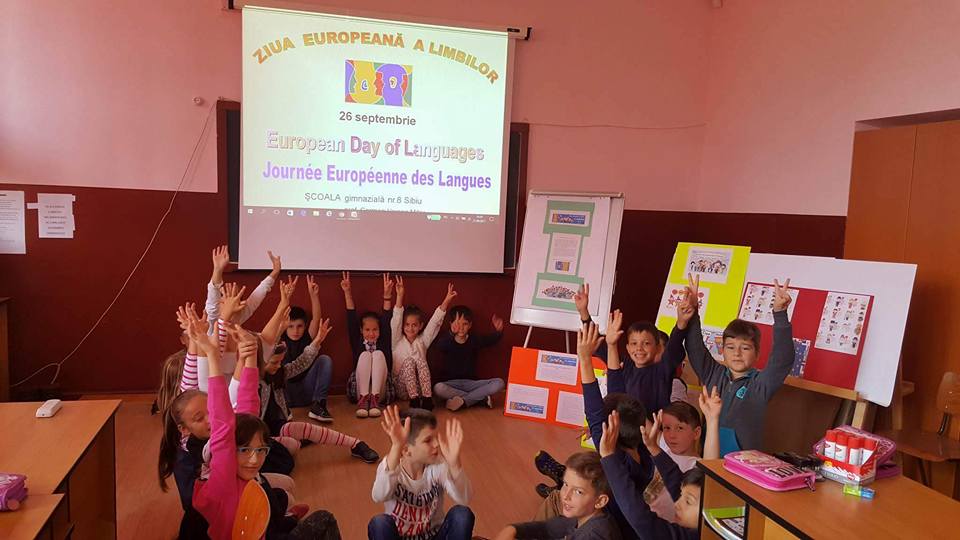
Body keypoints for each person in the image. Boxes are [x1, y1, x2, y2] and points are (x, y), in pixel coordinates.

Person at [186, 316, 341, 540]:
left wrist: (250, 358)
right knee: (324, 518)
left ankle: (285, 518)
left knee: (276, 494)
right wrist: (211, 355)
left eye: (260, 450)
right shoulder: (222, 481)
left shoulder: (241, 473)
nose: (255, 459)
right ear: (227, 453)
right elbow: (222, 423)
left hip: (263, 530)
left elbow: (249, 407)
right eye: (245, 450)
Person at [674, 274, 794, 452]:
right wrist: (693, 309)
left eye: (745, 348)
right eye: (730, 347)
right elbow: (694, 347)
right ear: (722, 351)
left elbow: (783, 359)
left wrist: (780, 314)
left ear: (757, 354)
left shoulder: (760, 384)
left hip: (743, 463)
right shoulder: (713, 373)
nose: (737, 353)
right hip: (709, 459)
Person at [369, 406, 474, 540]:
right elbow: (378, 496)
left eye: (435, 438)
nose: (436, 444)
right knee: (379, 523)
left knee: (462, 514)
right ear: (406, 450)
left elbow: (464, 499)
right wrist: (396, 447)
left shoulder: (438, 466)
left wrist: (454, 465)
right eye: (428, 440)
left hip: (434, 536)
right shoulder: (391, 467)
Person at [495, 452, 621, 540]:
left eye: (578, 491)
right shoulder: (582, 514)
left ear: (600, 501)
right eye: (565, 484)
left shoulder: (595, 535)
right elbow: (547, 528)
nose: (566, 496)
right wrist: (513, 529)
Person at [391, 277, 457, 409]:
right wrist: (400, 296)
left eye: (414, 325)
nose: (410, 328)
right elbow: (397, 319)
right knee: (409, 362)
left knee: (420, 361)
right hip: (402, 389)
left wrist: (447, 300)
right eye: (407, 325)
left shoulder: (423, 341)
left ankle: (427, 400)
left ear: (420, 326)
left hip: (421, 390)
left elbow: (434, 322)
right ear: (403, 326)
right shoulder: (397, 341)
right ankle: (414, 402)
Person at [281, 274, 335, 423]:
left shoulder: (307, 336)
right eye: (291, 327)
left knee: (325, 359)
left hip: (306, 390)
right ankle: (281, 409)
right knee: (273, 365)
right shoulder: (280, 339)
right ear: (285, 327)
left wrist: (314, 295)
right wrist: (286, 297)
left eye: (299, 326)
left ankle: (318, 405)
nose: (295, 330)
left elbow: (316, 318)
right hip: (286, 393)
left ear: (305, 326)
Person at [342, 271, 395, 418]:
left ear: (380, 330)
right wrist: (347, 293)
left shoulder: (383, 340)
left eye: (375, 330)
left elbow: (386, 317)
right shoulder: (357, 340)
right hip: (360, 390)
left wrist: (387, 296)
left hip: (381, 391)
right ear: (361, 330)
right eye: (367, 330)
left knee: (377, 354)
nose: (371, 334)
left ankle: (374, 401)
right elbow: (351, 318)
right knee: (365, 355)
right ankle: (364, 400)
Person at [433, 306, 505, 411]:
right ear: (451, 324)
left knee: (499, 383)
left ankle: (465, 400)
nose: (461, 328)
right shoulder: (447, 340)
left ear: (470, 325)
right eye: (457, 324)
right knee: (438, 388)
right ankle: (478, 399)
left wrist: (499, 331)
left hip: (471, 383)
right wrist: (451, 333)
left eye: (465, 324)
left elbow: (490, 340)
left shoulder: (474, 340)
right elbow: (440, 346)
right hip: (451, 383)